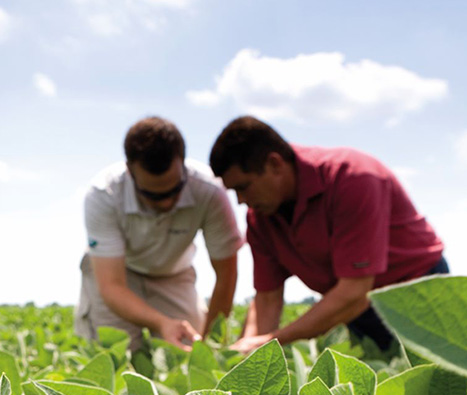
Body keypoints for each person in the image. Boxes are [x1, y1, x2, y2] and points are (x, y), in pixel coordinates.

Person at [208, 115, 447, 353]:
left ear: (275, 164)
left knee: (441, 383)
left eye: (243, 187)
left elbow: (356, 289)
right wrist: (247, 351)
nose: (240, 201)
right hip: (354, 309)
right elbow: (267, 299)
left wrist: (274, 339)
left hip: (421, 294)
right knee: (380, 378)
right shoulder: (260, 218)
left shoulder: (352, 177)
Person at [74, 116, 243, 351]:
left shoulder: (210, 192)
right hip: (118, 272)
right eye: (153, 196)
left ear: (183, 165)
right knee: (115, 354)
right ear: (130, 173)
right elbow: (112, 286)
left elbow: (226, 275)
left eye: (175, 190)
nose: (167, 203)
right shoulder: (104, 194)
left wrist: (208, 349)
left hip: (174, 273)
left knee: (188, 351)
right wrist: (161, 322)